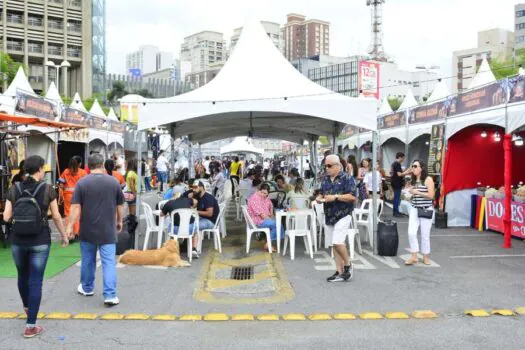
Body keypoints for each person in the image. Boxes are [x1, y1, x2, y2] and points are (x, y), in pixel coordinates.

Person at [3, 155, 68, 338]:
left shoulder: (14, 188)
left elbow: (6, 217)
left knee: (22, 275)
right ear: (40, 169)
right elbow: (56, 216)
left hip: (17, 240)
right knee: (36, 281)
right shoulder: (48, 189)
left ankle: (26, 306)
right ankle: (31, 325)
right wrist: (64, 236)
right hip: (40, 240)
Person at [67, 153, 125, 307]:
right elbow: (120, 205)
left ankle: (87, 288)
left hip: (87, 229)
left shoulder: (82, 183)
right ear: (102, 165)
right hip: (108, 229)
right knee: (108, 262)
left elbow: (75, 207)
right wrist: (119, 220)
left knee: (88, 260)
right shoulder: (113, 182)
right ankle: (110, 295)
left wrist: (69, 227)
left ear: (89, 166)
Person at [316, 155, 356, 282]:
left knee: (338, 241)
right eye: (325, 166)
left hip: (343, 214)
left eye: (329, 166)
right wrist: (318, 197)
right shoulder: (325, 179)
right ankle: (339, 271)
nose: (326, 168)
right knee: (334, 244)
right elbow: (321, 192)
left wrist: (336, 197)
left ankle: (348, 265)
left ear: (338, 165)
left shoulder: (347, 178)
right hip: (329, 214)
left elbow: (352, 196)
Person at [405, 160, 435, 266]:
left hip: (426, 209)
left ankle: (426, 256)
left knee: (425, 235)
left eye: (415, 166)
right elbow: (408, 196)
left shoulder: (428, 179)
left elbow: (431, 195)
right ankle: (414, 256)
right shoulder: (412, 180)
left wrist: (417, 192)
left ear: (421, 168)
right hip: (414, 209)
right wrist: (409, 193)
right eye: (412, 166)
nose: (413, 168)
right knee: (411, 232)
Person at [59, 156, 87, 240]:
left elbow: (60, 184)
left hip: (68, 196)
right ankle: (77, 233)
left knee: (68, 214)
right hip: (79, 196)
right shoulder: (83, 173)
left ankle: (69, 234)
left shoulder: (66, 171)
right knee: (78, 214)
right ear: (79, 164)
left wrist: (60, 194)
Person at [247, 183, 280, 252]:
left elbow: (271, 205)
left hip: (264, 219)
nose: (264, 195)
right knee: (276, 224)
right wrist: (271, 219)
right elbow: (262, 215)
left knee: (277, 223)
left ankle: (268, 243)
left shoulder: (265, 197)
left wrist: (271, 213)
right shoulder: (254, 198)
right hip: (257, 221)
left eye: (266, 194)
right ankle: (269, 244)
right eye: (263, 192)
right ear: (259, 190)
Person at [391, 152, 412, 217]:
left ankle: (396, 211)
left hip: (395, 182)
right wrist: (409, 172)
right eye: (403, 157)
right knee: (396, 198)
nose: (403, 159)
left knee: (396, 198)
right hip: (397, 183)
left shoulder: (395, 163)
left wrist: (409, 169)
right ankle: (396, 212)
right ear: (400, 157)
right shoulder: (397, 164)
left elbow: (402, 173)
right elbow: (399, 174)